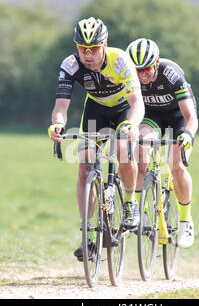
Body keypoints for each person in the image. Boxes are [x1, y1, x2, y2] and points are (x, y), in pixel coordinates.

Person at [48, 18, 145, 261]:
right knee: (84, 166)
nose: (88, 55)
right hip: (96, 111)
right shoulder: (70, 65)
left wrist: (132, 125)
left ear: (105, 45)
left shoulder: (120, 60)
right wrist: (58, 124)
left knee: (124, 151)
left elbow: (137, 103)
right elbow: (61, 106)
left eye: (93, 49)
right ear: (77, 47)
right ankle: (87, 235)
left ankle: (131, 204)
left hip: (124, 109)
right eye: (83, 49)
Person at [125, 38, 199, 248]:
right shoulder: (131, 77)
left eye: (146, 69)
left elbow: (190, 117)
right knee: (140, 148)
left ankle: (185, 221)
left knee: (177, 167)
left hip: (179, 117)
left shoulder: (171, 74)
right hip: (152, 117)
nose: (142, 75)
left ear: (156, 62)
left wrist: (187, 135)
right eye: (137, 70)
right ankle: (141, 211)